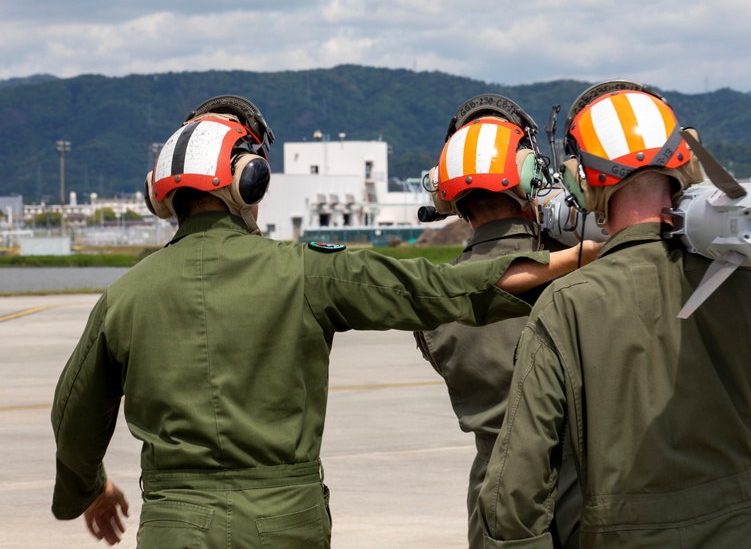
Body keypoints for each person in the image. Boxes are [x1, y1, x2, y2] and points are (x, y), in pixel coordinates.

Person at [50, 95, 600, 548]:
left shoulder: (124, 297)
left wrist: (91, 487)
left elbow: (72, 415)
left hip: (174, 526)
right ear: (249, 183)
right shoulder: (305, 272)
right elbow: (439, 288)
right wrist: (573, 257)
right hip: (284, 523)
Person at [478, 80, 751, 548]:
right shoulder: (747, 277)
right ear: (687, 164)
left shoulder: (568, 302)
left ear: (582, 179)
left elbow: (516, 484)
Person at [416, 94, 582, 548]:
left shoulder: (434, 298)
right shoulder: (579, 272)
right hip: (583, 488)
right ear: (531, 179)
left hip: (494, 497)